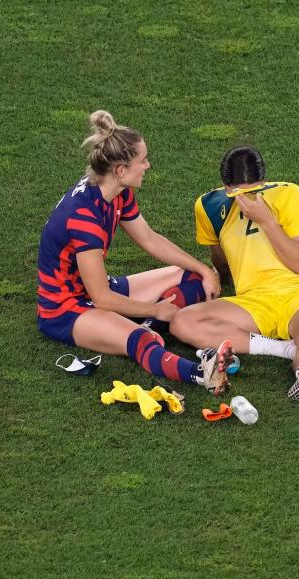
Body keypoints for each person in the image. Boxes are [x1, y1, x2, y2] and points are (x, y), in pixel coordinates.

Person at [37, 110, 234, 393]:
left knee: (189, 277)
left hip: (95, 289)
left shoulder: (117, 191)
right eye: (142, 161)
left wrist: (203, 270)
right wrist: (157, 309)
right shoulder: (84, 218)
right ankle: (202, 374)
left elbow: (149, 239)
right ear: (120, 170)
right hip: (66, 309)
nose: (147, 165)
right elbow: (101, 298)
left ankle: (144, 323)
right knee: (142, 341)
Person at [169, 146, 299, 401]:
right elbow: (220, 258)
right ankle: (286, 350)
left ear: (226, 182)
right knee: (182, 322)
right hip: (254, 301)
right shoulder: (208, 205)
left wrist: (267, 221)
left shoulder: (287, 194)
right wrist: (218, 276)